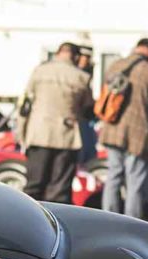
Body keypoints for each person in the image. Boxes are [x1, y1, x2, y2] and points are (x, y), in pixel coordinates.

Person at [99, 37, 148, 221]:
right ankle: (131, 222)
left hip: (112, 129)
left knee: (113, 176)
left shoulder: (115, 65)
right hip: (139, 135)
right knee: (135, 181)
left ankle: (108, 220)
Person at [17, 42, 93, 204]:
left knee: (33, 185)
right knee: (60, 189)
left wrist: (21, 134)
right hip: (66, 136)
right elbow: (87, 108)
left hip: (39, 133)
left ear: (58, 53)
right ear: (76, 56)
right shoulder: (81, 77)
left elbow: (25, 105)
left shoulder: (39, 72)